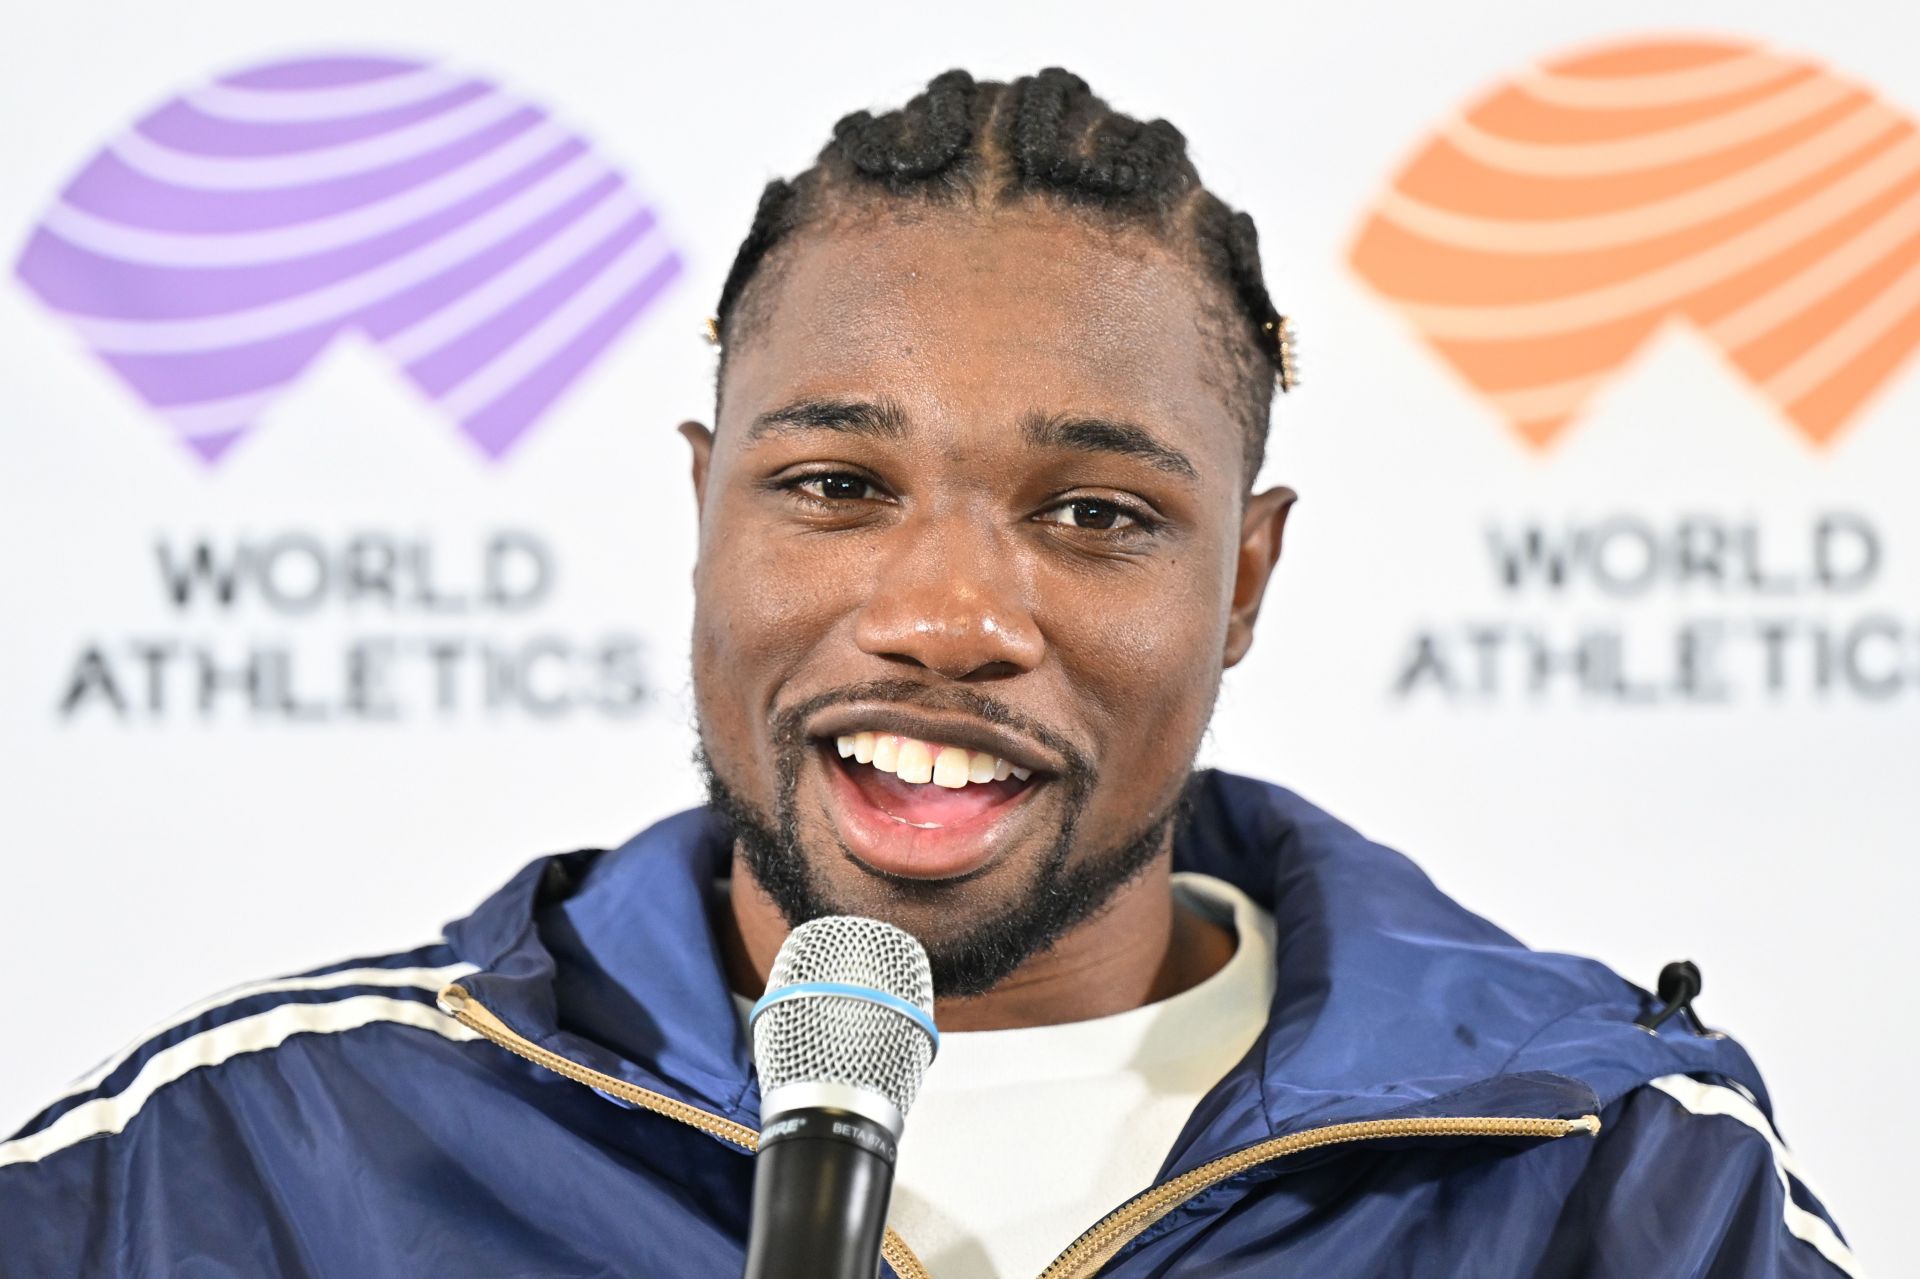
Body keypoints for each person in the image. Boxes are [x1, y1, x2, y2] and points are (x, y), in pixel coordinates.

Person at [0, 68, 1858, 1279]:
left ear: (1247, 579)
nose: (951, 614)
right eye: (835, 486)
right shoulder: (245, 1164)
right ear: (706, 508)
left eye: (1097, 515)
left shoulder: (1610, 1178)